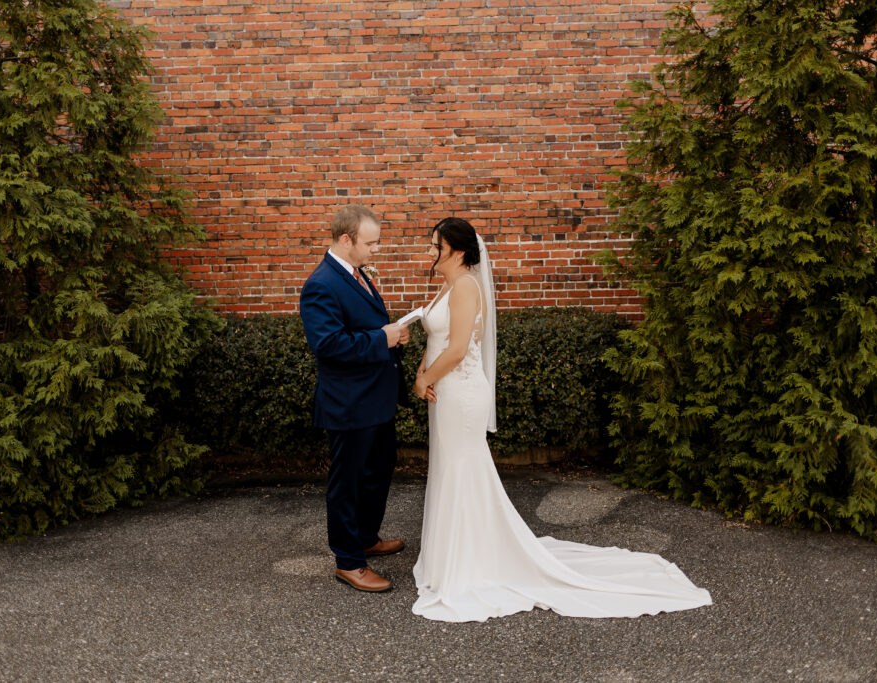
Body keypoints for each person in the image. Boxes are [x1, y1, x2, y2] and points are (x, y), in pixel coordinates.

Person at [411, 216, 713, 622]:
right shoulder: (446, 284)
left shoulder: (466, 287)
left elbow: (460, 347)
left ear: (459, 251)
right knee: (449, 470)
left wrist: (426, 378)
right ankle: (453, 554)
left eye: (437, 246)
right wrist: (420, 374)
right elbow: (435, 339)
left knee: (464, 469)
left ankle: (471, 563)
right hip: (442, 391)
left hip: (461, 394)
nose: (431, 252)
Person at [300, 205, 409, 592]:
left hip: (375, 398)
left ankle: (365, 537)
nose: (375, 250)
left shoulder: (356, 274)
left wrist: (389, 333)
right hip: (349, 403)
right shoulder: (321, 284)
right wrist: (384, 338)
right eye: (371, 243)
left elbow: (358, 327)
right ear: (346, 240)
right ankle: (348, 561)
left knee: (378, 471)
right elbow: (328, 345)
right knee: (348, 482)